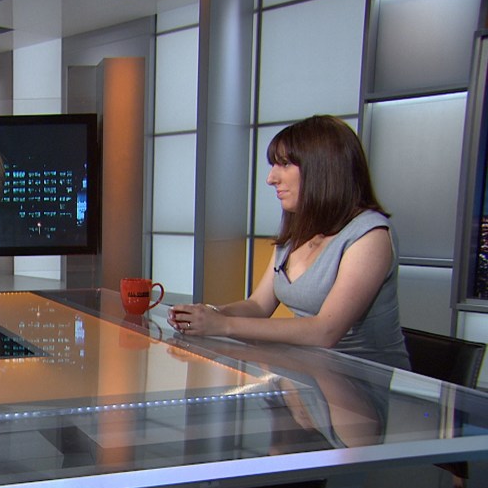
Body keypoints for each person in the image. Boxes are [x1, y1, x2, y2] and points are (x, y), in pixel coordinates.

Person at [168, 115, 410, 369]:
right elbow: (258, 305)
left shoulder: (370, 235)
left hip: (364, 379)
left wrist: (223, 325)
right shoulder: (297, 231)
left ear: (323, 169)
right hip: (309, 370)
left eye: (284, 164)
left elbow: (325, 331)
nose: (271, 178)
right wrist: (208, 314)